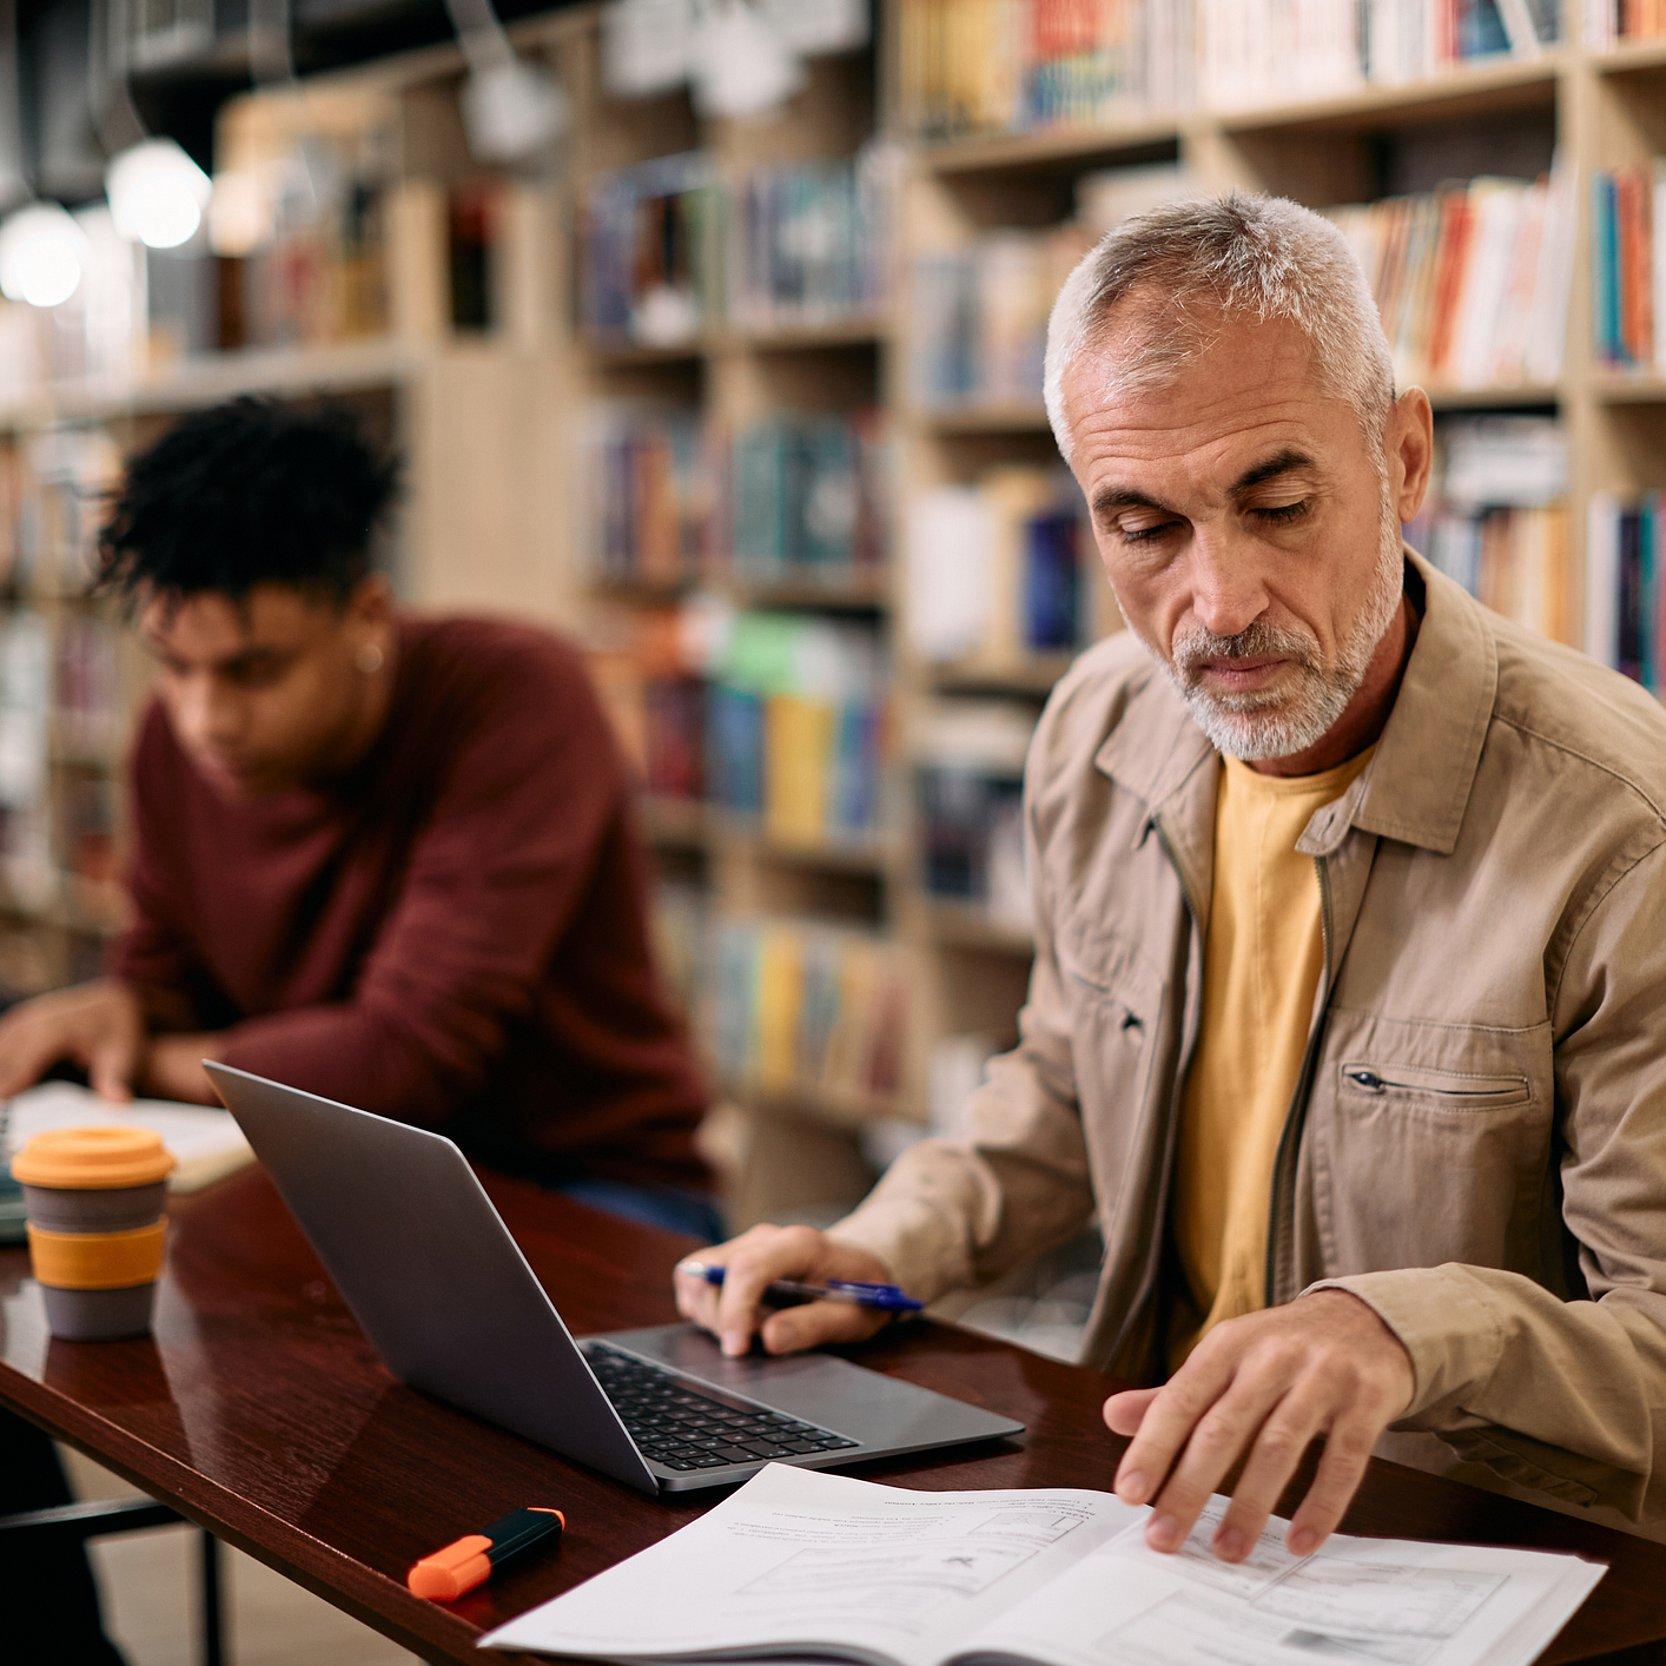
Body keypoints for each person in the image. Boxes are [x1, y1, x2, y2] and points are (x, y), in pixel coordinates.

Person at [677, 192, 1666, 1562]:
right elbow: (1065, 1084)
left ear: (1402, 454)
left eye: (1274, 503)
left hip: (1469, 1553)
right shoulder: (1099, 724)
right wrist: (885, 1246)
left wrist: (1403, 1327)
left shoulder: (1623, 831)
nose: (1218, 603)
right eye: (1143, 527)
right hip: (1153, 1512)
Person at [0, 396, 715, 1236]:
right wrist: (116, 1008)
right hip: (315, 1172)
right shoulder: (172, 739)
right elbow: (168, 977)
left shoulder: (517, 695)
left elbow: (403, 1060)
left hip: (582, 1189)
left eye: (254, 671)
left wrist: (140, 1061)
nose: (206, 721)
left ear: (368, 615)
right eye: (174, 667)